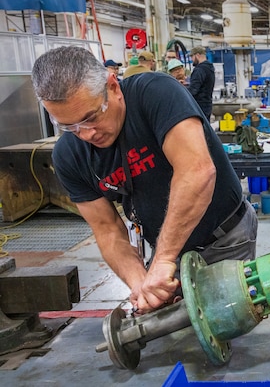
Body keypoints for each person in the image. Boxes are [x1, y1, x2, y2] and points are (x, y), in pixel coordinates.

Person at [32, 46, 257, 314]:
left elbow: (197, 171)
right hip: (168, 250)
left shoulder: (156, 92)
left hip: (224, 238)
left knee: (224, 321)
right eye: (69, 126)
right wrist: (140, 283)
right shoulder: (69, 155)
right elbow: (107, 229)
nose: (86, 134)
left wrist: (163, 259)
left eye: (91, 117)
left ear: (113, 86)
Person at [188, 46, 215, 120]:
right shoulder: (210, 68)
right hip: (207, 105)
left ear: (197, 55)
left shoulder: (199, 70)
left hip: (199, 107)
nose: (192, 60)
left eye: (192, 57)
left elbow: (193, 90)